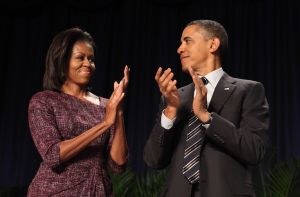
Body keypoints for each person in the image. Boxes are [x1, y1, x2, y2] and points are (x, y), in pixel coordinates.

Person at [143, 19, 269, 197]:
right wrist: (170, 113)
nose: (179, 49)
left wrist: (206, 116)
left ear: (213, 44)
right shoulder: (174, 98)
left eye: (187, 41)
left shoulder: (248, 90)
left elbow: (254, 150)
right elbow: (153, 159)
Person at [27, 27, 129, 196]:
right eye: (80, 58)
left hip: (97, 190)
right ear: (62, 61)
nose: (88, 64)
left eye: (91, 59)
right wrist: (105, 124)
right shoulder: (44, 101)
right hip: (54, 191)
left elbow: (118, 165)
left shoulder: (106, 105)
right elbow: (53, 155)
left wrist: (118, 113)